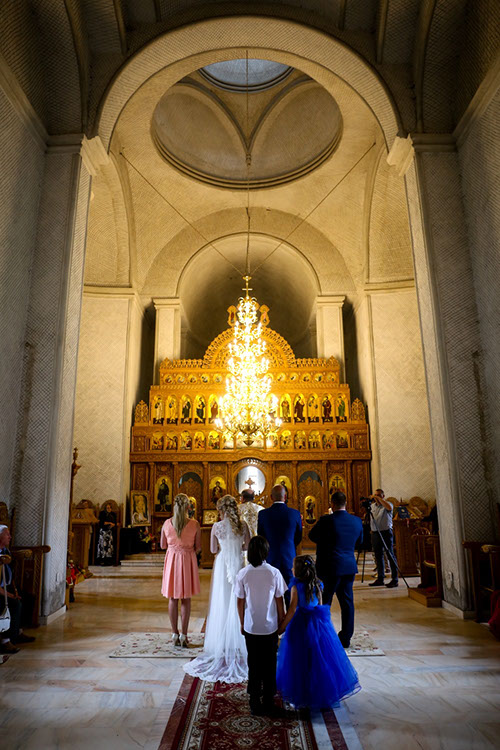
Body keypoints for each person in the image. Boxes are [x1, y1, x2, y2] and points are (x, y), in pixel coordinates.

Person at [276, 555, 360, 710]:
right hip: (317, 624)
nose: (291, 569)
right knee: (318, 658)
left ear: (298, 571)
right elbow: (320, 606)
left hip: (300, 625)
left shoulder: (295, 587)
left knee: (299, 660)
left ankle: (301, 694)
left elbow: (292, 610)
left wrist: (282, 627)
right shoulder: (318, 584)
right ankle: (321, 692)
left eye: (293, 567)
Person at [184, 495, 250, 682]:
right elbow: (247, 546)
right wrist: (235, 548)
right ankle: (239, 637)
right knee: (238, 598)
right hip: (238, 562)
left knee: (222, 598)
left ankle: (221, 638)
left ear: (221, 510)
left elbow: (213, 550)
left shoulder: (216, 527)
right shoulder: (243, 525)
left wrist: (225, 548)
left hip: (222, 564)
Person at [235, 536, 287, 716]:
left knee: (254, 663)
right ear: (266, 552)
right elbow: (279, 600)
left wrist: (242, 622)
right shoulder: (274, 572)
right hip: (270, 627)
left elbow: (240, 602)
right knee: (270, 663)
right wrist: (281, 620)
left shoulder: (243, 573)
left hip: (251, 626)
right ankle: (268, 701)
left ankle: (254, 701)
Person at [308, 491, 363, 648]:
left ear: (332, 503)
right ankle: (346, 638)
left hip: (328, 567)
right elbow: (360, 542)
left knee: (324, 601)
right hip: (348, 567)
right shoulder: (356, 521)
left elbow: (312, 536)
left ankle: (322, 635)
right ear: (346, 503)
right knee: (347, 603)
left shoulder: (326, 520)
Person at [161, 494, 201, 647]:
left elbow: (163, 545)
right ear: (188, 507)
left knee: (172, 598)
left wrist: (174, 546)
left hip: (172, 561)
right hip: (187, 561)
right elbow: (198, 547)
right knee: (186, 598)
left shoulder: (167, 523)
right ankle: (184, 635)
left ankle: (174, 634)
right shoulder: (194, 524)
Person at [257, 484, 302, 604]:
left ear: (271, 497)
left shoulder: (263, 514)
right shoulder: (295, 513)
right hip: (288, 556)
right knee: (289, 589)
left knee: (270, 589)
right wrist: (290, 546)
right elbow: (298, 536)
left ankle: (274, 615)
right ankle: (289, 614)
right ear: (285, 497)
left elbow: (261, 536)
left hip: (270, 556)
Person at [0, 525, 35, 654]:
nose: (10, 537)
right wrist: (11, 595)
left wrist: (14, 590)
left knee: (29, 598)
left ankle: (18, 631)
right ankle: (5, 641)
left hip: (8, 586)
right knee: (14, 604)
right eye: (6, 534)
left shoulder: (6, 551)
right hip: (1, 590)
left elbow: (11, 573)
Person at [368, 488, 399, 588]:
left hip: (386, 532)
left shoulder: (388, 504)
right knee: (378, 556)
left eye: (378, 495)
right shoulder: (372, 506)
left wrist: (379, 499)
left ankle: (395, 579)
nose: (376, 497)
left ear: (383, 496)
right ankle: (380, 578)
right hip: (375, 533)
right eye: (375, 495)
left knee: (390, 554)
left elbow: (389, 508)